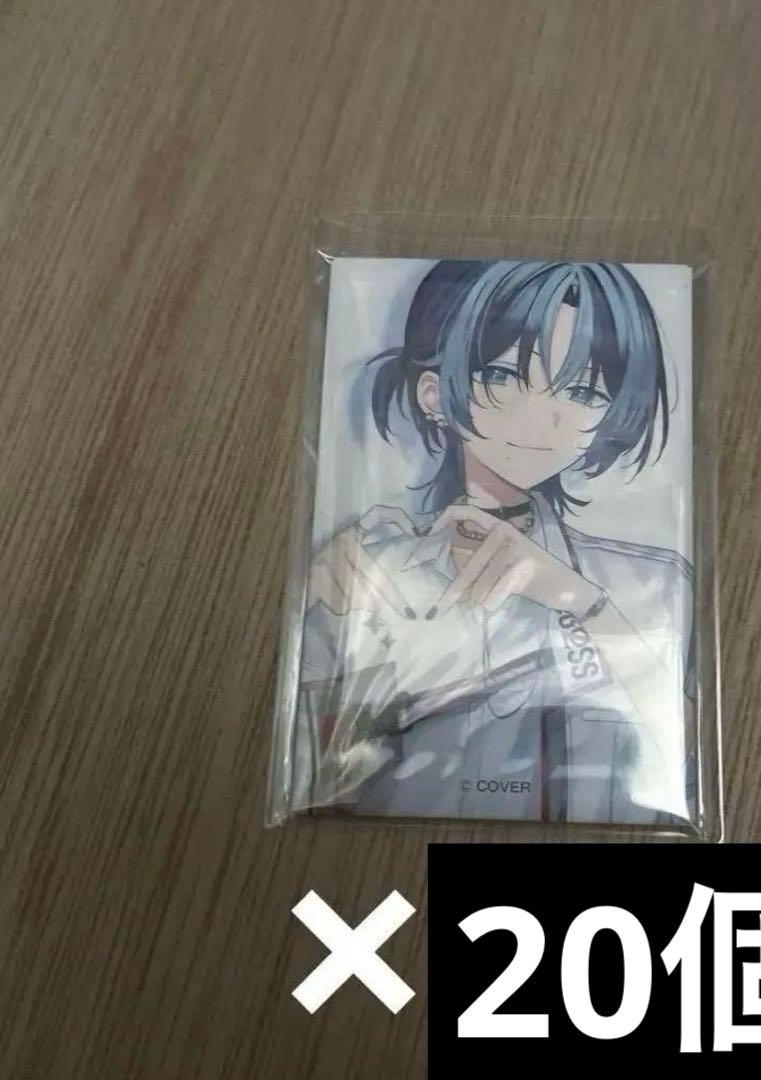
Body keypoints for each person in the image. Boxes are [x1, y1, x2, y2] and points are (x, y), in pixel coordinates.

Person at [295, 260, 695, 824]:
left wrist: (580, 600)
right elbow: (313, 786)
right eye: (503, 377)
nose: (543, 418)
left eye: (582, 391)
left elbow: (687, 766)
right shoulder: (365, 573)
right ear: (433, 394)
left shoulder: (653, 585)